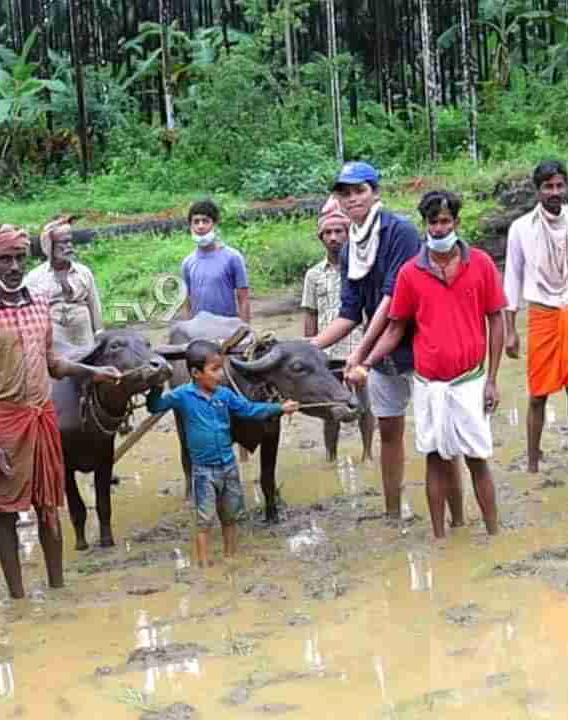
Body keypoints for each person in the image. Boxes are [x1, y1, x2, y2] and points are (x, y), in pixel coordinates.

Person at [0, 224, 123, 599]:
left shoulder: (38, 302)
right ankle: (17, 595)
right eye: (5, 259)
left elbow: (53, 363)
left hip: (42, 412)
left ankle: (57, 586)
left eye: (19, 258)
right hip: (4, 420)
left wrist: (94, 372)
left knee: (49, 503)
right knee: (7, 509)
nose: (13, 266)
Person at [354, 191, 506, 539]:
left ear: (456, 223)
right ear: (424, 226)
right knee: (435, 458)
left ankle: (494, 533)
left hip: (470, 380)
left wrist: (493, 379)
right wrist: (367, 360)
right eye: (432, 223)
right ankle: (439, 538)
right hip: (428, 382)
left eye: (444, 221)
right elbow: (396, 328)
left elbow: (496, 320)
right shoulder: (411, 273)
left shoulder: (480, 263)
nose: (438, 229)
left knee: (477, 458)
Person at [312, 161, 424, 520]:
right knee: (389, 432)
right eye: (344, 193)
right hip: (382, 354)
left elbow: (392, 303)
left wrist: (360, 355)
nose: (352, 199)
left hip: (419, 346)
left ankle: (451, 513)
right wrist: (310, 346)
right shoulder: (349, 250)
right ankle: (392, 514)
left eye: (359, 190)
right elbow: (349, 313)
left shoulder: (400, 233)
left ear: (375, 192)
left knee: (438, 437)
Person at [146, 340, 298, 566]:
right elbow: (155, 406)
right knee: (205, 519)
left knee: (231, 516)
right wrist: (157, 383)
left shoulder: (225, 395)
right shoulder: (182, 396)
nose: (220, 374)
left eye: (221, 368)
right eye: (214, 370)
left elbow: (249, 410)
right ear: (196, 373)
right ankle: (203, 563)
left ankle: (230, 557)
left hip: (228, 466)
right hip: (203, 471)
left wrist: (278, 408)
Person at [503, 160, 568, 472]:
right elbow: (512, 279)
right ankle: (532, 464)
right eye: (548, 186)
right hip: (543, 314)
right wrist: (510, 330)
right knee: (538, 394)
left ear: (566, 187)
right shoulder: (520, 229)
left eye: (560, 185)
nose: (555, 192)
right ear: (538, 191)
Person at [301, 196, 375, 462]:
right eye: (328, 233)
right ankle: (331, 456)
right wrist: (309, 350)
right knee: (329, 409)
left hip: (360, 348)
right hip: (326, 353)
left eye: (339, 231)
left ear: (348, 234)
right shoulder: (313, 275)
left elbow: (371, 312)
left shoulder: (363, 269)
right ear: (321, 237)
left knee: (365, 405)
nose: (333, 237)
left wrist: (372, 348)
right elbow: (310, 315)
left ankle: (367, 455)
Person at [24, 215, 105, 346]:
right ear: (50, 245)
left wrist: (100, 334)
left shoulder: (83, 273)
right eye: (63, 242)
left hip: (83, 337)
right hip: (54, 342)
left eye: (70, 241)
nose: (69, 246)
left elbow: (94, 306)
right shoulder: (34, 278)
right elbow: (29, 317)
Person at [181, 199, 251, 322]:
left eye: (205, 221)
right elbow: (187, 302)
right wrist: (187, 329)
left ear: (215, 224)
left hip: (227, 330)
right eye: (196, 222)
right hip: (199, 332)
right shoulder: (187, 263)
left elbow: (243, 299)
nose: (200, 226)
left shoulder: (233, 257)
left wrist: (246, 331)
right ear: (191, 226)